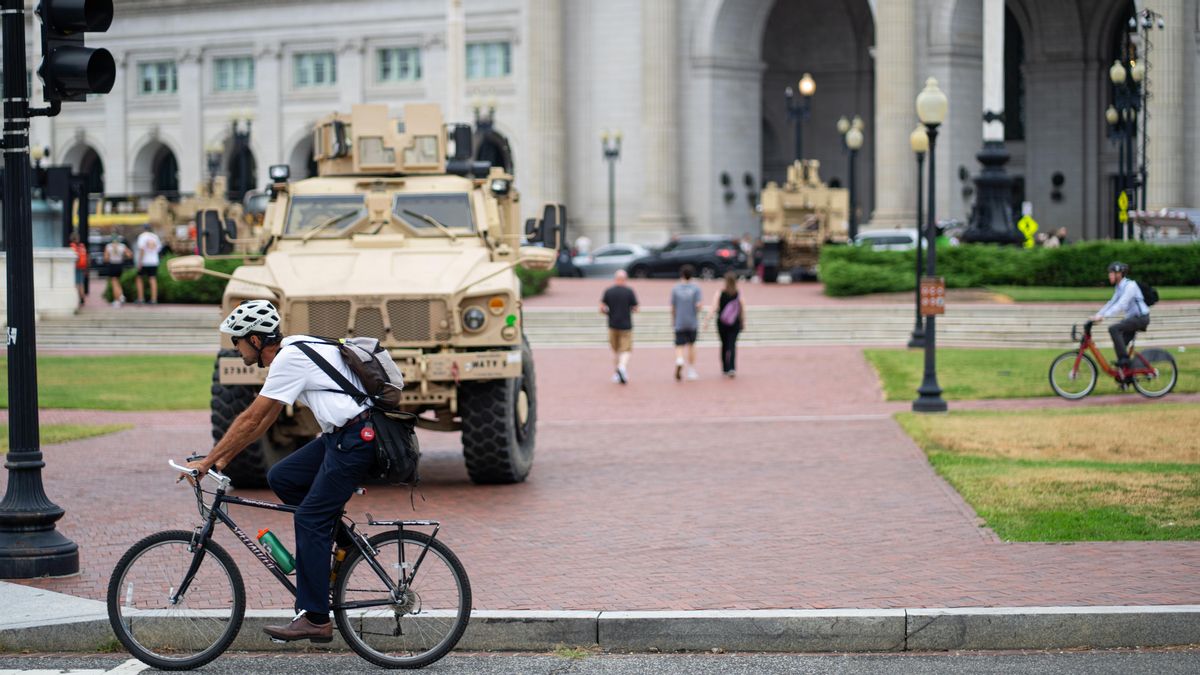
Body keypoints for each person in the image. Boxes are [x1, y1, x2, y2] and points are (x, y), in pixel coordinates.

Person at [183, 300, 376, 643]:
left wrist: (208, 462)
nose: (235, 348)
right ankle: (346, 546)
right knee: (282, 477)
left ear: (256, 341)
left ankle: (315, 618)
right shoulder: (294, 348)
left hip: (355, 440)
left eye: (238, 340)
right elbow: (267, 417)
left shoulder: (289, 358)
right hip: (344, 436)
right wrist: (224, 457)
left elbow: (251, 418)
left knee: (309, 519)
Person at [1090, 261, 1150, 378]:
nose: (1109, 275)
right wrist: (1097, 315)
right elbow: (1111, 303)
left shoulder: (1130, 286)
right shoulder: (1119, 288)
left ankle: (1125, 362)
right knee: (1120, 343)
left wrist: (1104, 316)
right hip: (1133, 318)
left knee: (1114, 329)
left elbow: (1121, 304)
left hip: (1141, 318)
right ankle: (1126, 375)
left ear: (1119, 274)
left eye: (1112, 273)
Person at [703, 272, 746, 377]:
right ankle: (732, 367)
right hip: (734, 322)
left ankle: (725, 368)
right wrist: (743, 321)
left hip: (722, 323)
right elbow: (742, 309)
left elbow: (714, 307)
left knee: (724, 345)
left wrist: (707, 320)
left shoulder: (720, 293)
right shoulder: (738, 293)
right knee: (732, 345)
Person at [601, 269, 638, 384]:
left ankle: (617, 374)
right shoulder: (629, 291)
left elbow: (602, 307)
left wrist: (608, 312)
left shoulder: (609, 291)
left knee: (616, 350)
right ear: (625, 279)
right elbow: (636, 308)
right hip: (626, 325)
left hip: (612, 325)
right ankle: (622, 367)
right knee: (626, 349)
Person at [670, 264, 703, 381]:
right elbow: (698, 306)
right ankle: (691, 370)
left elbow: (673, 307)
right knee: (692, 345)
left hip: (680, 321)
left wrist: (673, 320)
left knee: (679, 345)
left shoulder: (675, 288)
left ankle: (679, 359)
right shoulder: (696, 288)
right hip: (692, 321)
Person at [135, 224, 162, 304]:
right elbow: (158, 249)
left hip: (145, 261)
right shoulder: (155, 236)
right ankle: (154, 299)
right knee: (152, 279)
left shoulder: (142, 236)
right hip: (154, 260)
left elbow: (142, 250)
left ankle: (141, 298)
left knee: (139, 278)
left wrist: (140, 262)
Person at [103, 234, 131, 308]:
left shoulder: (109, 246)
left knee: (114, 283)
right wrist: (123, 256)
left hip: (113, 265)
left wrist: (110, 256)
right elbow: (129, 255)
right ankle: (121, 295)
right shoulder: (122, 246)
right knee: (117, 282)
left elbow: (105, 258)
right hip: (120, 265)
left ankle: (117, 300)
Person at [68, 232, 88, 306]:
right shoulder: (82, 246)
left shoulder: (71, 247)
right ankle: (82, 298)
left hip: (75, 267)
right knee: (81, 284)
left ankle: (76, 299)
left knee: (76, 284)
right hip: (82, 267)